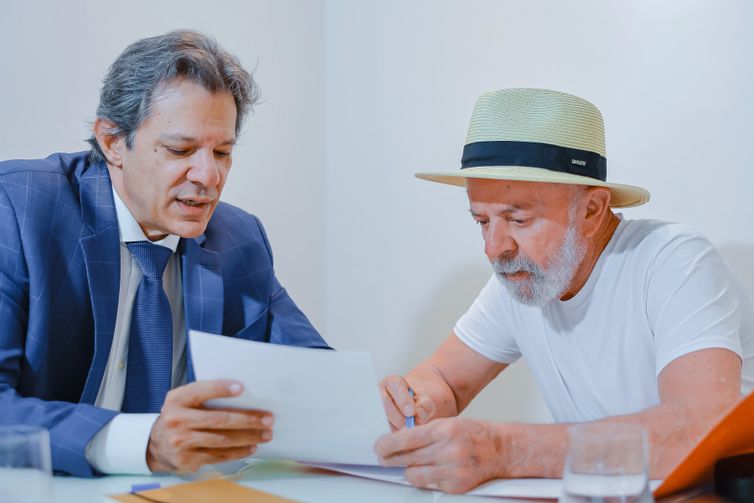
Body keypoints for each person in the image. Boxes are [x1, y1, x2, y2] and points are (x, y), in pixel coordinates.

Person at [375, 88, 754, 494]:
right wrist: (415, 402)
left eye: (517, 219)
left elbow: (701, 425)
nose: (494, 248)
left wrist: (506, 450)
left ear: (591, 210)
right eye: (482, 222)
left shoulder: (672, 262)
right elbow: (444, 382)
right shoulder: (521, 278)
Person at [0, 30, 329, 477]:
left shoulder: (239, 239)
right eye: (181, 150)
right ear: (113, 142)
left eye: (223, 152)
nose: (209, 175)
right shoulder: (18, 210)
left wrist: (388, 414)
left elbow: (317, 380)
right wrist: (141, 443)